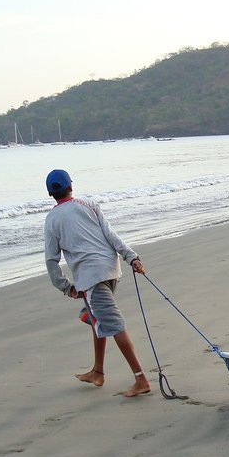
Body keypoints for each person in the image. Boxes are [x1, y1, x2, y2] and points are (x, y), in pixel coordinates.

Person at [43, 169, 151, 397]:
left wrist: (65, 287)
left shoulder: (52, 219)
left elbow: (51, 260)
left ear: (51, 194)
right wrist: (131, 257)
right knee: (97, 319)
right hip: (111, 270)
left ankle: (141, 380)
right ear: (71, 186)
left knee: (113, 323)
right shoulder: (89, 204)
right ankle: (98, 371)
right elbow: (112, 235)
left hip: (91, 278)